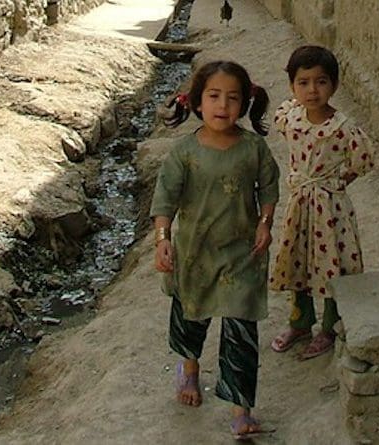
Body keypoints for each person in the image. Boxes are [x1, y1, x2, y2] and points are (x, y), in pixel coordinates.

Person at [150, 60, 280, 439]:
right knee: (192, 317)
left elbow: (269, 189)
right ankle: (189, 368)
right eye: (214, 96)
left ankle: (241, 408)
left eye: (232, 98)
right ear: (196, 102)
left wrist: (265, 224)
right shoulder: (184, 153)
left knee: (242, 331)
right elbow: (164, 201)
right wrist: (163, 241)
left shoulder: (254, 148)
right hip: (194, 255)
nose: (223, 105)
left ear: (244, 104)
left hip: (243, 255)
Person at [268, 45, 375, 360]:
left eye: (321, 81)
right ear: (292, 86)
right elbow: (280, 120)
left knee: (331, 265)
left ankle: (329, 326)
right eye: (303, 82)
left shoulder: (342, 129)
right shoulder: (291, 118)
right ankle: (300, 322)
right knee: (297, 261)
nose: (312, 90)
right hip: (299, 206)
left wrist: (339, 183)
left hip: (331, 210)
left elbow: (363, 160)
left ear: (335, 85)